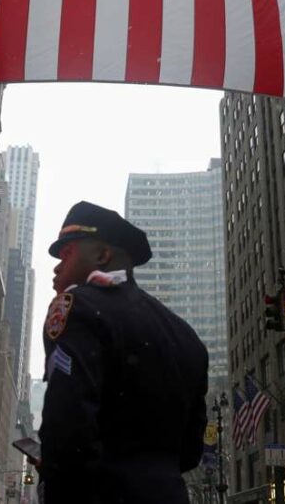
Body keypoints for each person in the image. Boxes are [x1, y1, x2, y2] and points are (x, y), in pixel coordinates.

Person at [37, 201, 209, 504]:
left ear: (102, 256)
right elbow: (191, 452)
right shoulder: (187, 337)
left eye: (67, 254)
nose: (57, 266)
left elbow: (67, 427)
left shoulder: (78, 307)